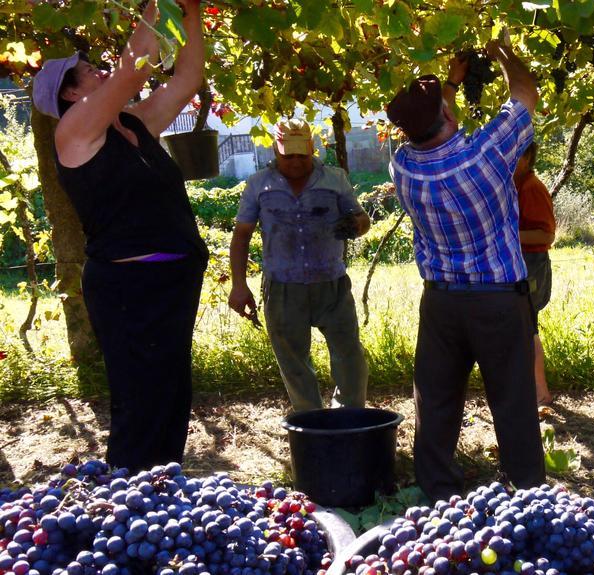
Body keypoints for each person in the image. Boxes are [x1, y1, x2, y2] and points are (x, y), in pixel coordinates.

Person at [31, 0, 208, 472]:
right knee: (140, 403)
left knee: (171, 398)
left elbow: (187, 81)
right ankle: (125, 503)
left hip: (173, 282)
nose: (101, 72)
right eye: (88, 72)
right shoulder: (73, 133)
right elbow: (132, 71)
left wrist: (190, 13)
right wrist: (162, 3)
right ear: (68, 96)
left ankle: (162, 495)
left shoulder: (132, 124)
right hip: (130, 290)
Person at [386, 38, 546, 501]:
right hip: (498, 300)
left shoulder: (404, 168)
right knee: (513, 402)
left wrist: (450, 84)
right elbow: (525, 94)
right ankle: (529, 494)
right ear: (450, 118)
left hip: (440, 303)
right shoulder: (487, 154)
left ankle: (437, 494)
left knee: (434, 404)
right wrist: (503, 53)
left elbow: (433, 127)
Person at [228, 119, 371, 413]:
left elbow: (363, 219)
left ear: (311, 148)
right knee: (293, 362)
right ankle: (311, 423)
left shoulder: (335, 178)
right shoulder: (259, 184)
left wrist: (355, 225)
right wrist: (239, 285)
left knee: (349, 357)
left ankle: (350, 418)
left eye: (300, 155)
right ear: (276, 151)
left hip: (331, 284)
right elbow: (241, 235)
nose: (294, 162)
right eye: (287, 155)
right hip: (283, 287)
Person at [514, 142, 556, 406]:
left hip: (533, 264)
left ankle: (540, 392)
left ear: (527, 157)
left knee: (527, 326)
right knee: (522, 326)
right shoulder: (516, 185)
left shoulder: (531, 187)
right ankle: (532, 389)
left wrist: (506, 237)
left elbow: (547, 234)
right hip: (523, 261)